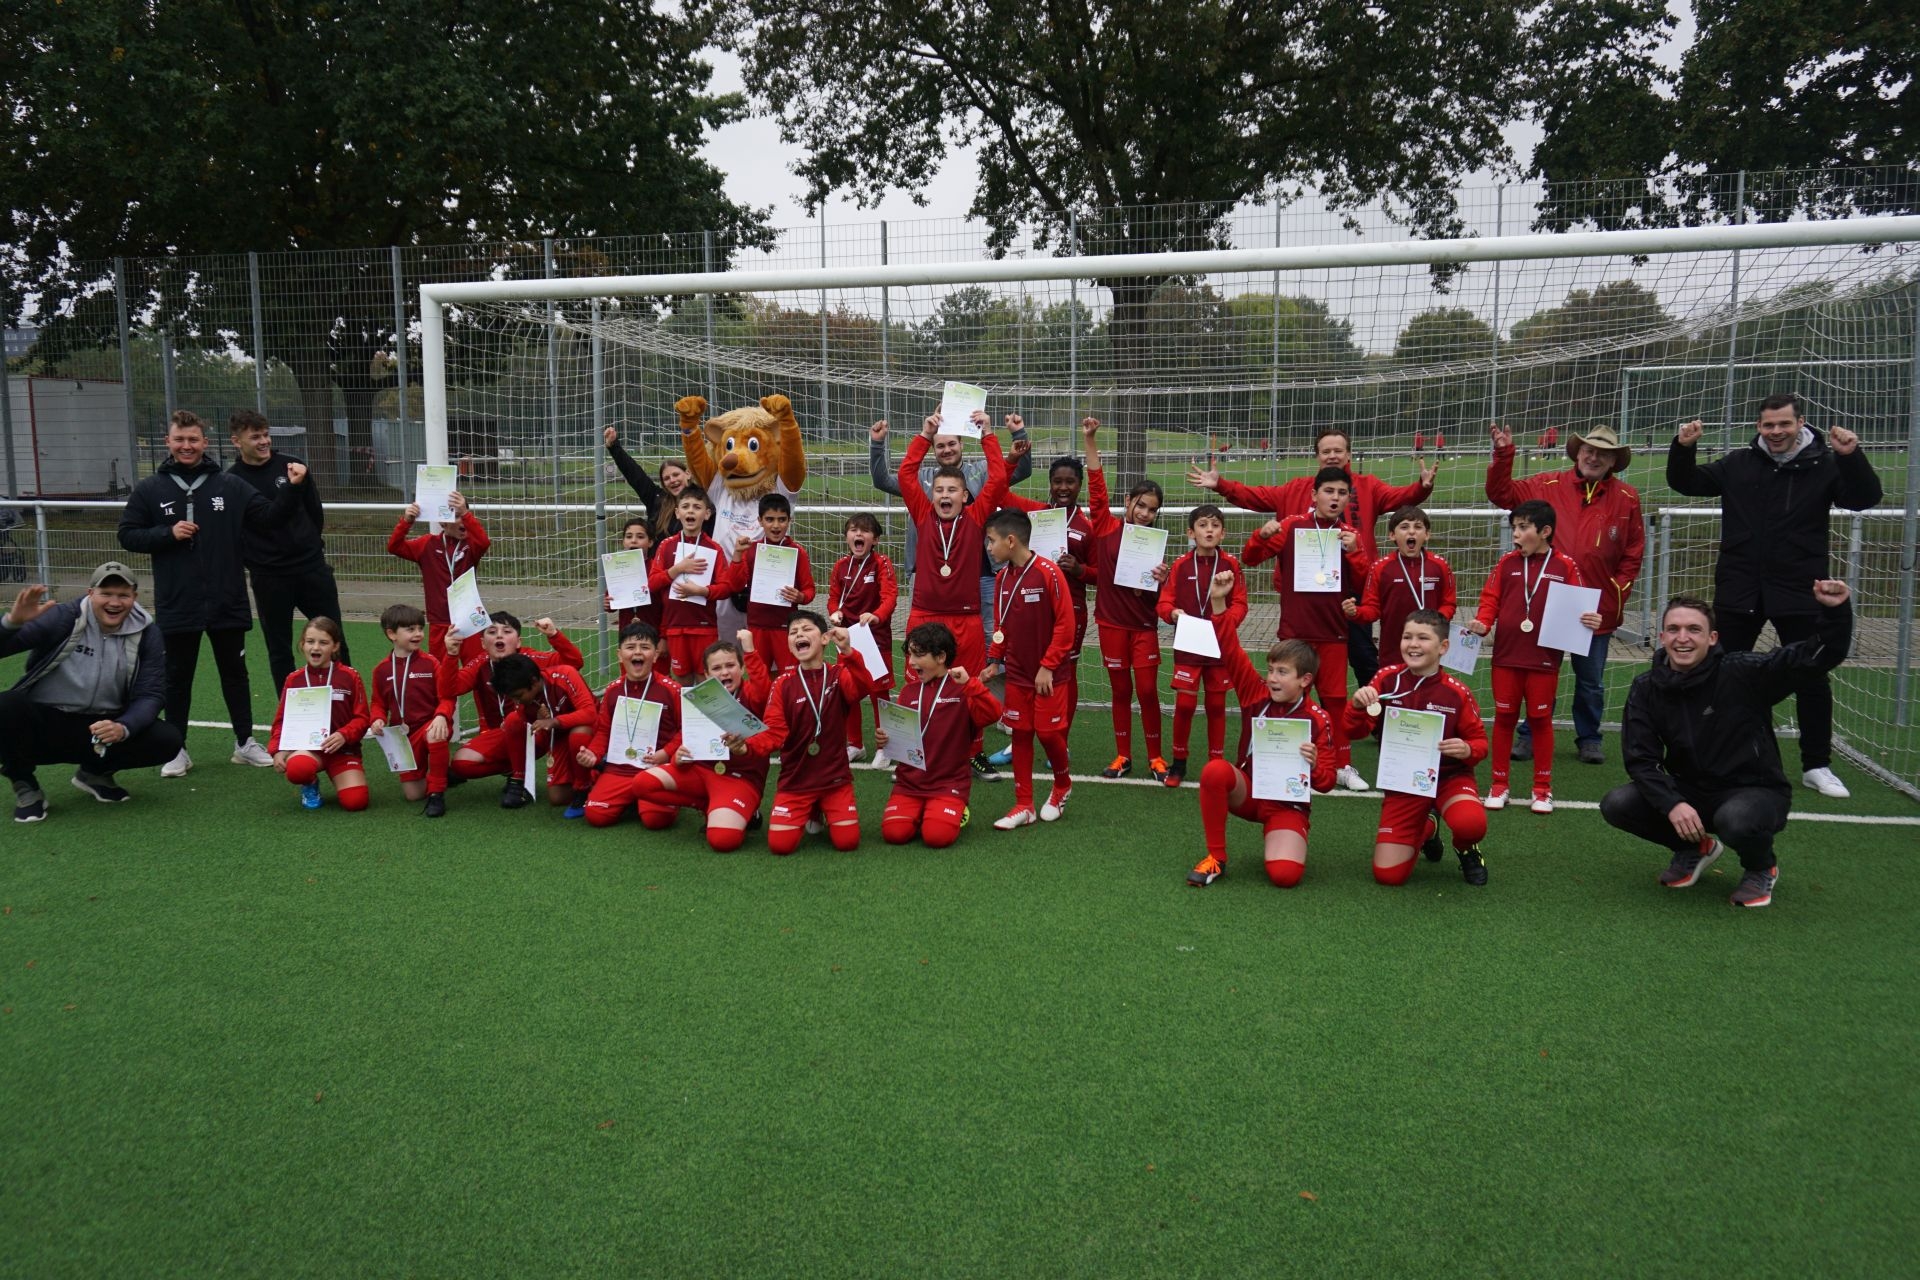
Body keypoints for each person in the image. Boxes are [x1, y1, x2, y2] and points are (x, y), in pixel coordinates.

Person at [1667, 395, 1882, 799]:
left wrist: (1851, 456)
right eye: (1769, 425)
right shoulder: (1739, 463)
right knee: (1722, 674)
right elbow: (1687, 483)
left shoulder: (1824, 464)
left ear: (1800, 423)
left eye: (1784, 424)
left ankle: (1816, 764)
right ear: (1758, 427)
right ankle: (1720, 756)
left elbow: (1864, 498)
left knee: (1811, 675)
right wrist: (1683, 447)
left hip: (1800, 587)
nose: (1776, 432)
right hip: (1740, 587)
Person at [1600, 582, 1853, 909]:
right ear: (1662, 637)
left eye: (1694, 629)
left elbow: (1815, 657)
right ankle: (1694, 848)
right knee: (1618, 803)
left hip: (1754, 791)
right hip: (1691, 791)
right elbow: (1641, 760)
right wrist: (1673, 803)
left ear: (1712, 638)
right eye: (1674, 629)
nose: (1682, 638)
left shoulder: (1743, 672)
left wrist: (1835, 611)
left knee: (1736, 819)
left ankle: (1761, 867)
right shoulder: (1646, 688)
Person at [117, 409, 307, 777]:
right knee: (177, 677)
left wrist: (293, 488)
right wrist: (167, 533)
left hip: (226, 598)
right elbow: (127, 534)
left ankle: (244, 743)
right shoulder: (151, 488)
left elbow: (269, 517)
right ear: (168, 442)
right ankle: (177, 749)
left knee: (235, 673)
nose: (186, 446)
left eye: (193, 439)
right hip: (178, 601)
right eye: (180, 439)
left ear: (205, 443)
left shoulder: (229, 485)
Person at [1190, 427, 1434, 686]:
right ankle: (1298, 708)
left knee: (1363, 656)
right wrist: (1221, 485)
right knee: (1296, 662)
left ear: (1349, 455)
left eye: (1338, 450)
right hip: (1303, 594)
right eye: (1326, 451)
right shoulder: (1297, 490)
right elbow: (1256, 496)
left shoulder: (1367, 487)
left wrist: (1422, 487)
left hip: (1352, 593)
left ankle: (1376, 707)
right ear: (1317, 456)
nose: (1332, 456)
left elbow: (1400, 497)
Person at [1485, 421, 1643, 766]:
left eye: (1603, 453)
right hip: (1543, 605)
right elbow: (1501, 494)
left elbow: (1633, 554)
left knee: (1591, 681)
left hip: (1594, 610)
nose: (1594, 457)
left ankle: (1589, 738)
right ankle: (1530, 733)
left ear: (1614, 461)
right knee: (1540, 673)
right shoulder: (1547, 485)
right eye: (1589, 450)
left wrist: (1613, 596)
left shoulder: (1628, 498)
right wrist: (1504, 454)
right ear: (1578, 453)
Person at [0, 566, 184, 822]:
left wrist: (123, 727)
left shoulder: (148, 633)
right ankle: (24, 783)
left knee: (167, 739)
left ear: (134, 597)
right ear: (90, 593)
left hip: (101, 727)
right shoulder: (64, 617)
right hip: (48, 720)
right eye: (106, 593)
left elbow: (151, 694)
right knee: (6, 706)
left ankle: (95, 773)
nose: (114, 602)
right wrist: (12, 623)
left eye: (123, 595)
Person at [1184, 581, 1336, 889]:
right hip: (1250, 792)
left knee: (1284, 876)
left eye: (1282, 672)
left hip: (1287, 804)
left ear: (1305, 680)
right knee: (1214, 771)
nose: (1272, 678)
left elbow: (1327, 782)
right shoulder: (1256, 694)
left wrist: (1315, 764)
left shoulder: (1318, 719)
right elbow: (1230, 649)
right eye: (1271, 670)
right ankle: (1216, 857)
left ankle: (1281, 836)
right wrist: (1218, 603)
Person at [1240, 466, 1374, 792]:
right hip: (1296, 633)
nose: (1335, 498)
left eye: (1342, 493)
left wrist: (1355, 553)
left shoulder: (1348, 536)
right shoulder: (1291, 526)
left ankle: (1341, 765)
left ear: (1348, 499)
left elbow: (1365, 584)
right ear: (1315, 495)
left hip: (1333, 633)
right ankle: (1288, 759)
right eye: (1329, 491)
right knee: (1292, 698)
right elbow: (1250, 558)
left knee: (1335, 700)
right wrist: (1261, 536)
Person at [893, 412, 1013, 774]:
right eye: (939, 490)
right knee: (917, 683)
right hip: (924, 614)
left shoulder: (976, 518)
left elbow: (998, 477)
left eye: (952, 491)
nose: (945, 495)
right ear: (932, 495)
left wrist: (988, 433)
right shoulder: (922, 513)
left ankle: (972, 752)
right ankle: (911, 752)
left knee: (968, 686)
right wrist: (924, 435)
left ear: (964, 495)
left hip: (966, 619)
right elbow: (905, 475)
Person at [1466, 500, 1598, 814]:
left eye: (1523, 527)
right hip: (1506, 657)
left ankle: (1542, 789)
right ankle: (1499, 785)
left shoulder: (1565, 565)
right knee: (1504, 719)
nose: (1516, 533)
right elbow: (1490, 599)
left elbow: (1580, 606)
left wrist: (1591, 619)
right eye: (1514, 527)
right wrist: (1483, 623)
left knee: (1540, 720)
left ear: (1545, 531)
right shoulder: (1506, 563)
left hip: (1543, 660)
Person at [1345, 610, 1491, 886]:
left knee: (1470, 824)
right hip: (1404, 782)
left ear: (1443, 647)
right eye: (1407, 637)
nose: (1413, 644)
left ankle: (1465, 848)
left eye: (1423, 638)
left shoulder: (1457, 692)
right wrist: (1356, 707)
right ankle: (1429, 827)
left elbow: (1480, 743)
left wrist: (1467, 749)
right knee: (1388, 875)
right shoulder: (1386, 680)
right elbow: (1355, 731)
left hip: (1449, 777)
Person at [226, 410, 349, 690]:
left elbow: (314, 514)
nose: (263, 441)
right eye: (255, 437)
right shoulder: (232, 481)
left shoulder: (293, 466)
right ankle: (290, 709)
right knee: (279, 648)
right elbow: (247, 527)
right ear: (237, 441)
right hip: (269, 577)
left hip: (310, 569)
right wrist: (258, 558)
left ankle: (343, 700)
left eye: (266, 435)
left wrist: (308, 546)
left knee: (335, 639)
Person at [743, 612, 881, 854]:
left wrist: (848, 651)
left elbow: (863, 687)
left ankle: (822, 805)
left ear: (825, 638)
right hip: (796, 781)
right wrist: (746, 746)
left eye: (807, 629)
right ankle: (813, 808)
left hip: (834, 780)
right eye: (793, 632)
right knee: (780, 846)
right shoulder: (783, 684)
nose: (799, 634)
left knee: (847, 842)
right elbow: (774, 733)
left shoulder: (838, 674)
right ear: (789, 644)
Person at [1081, 416, 1170, 781]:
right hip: (1111, 624)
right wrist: (1090, 440)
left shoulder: (1155, 544)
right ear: (1128, 501)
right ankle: (1123, 756)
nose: (1145, 514)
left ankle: (1156, 758)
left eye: (1152, 509)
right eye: (1141, 505)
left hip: (1143, 626)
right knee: (1120, 690)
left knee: (1147, 691)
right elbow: (1096, 486)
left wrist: (1162, 580)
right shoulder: (1106, 527)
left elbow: (1160, 597)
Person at [628, 631, 774, 850]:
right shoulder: (698, 698)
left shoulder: (752, 695)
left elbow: (763, 690)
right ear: (706, 674)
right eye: (717, 668)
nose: (724, 672)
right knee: (642, 784)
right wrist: (678, 758)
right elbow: (687, 739)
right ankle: (707, 805)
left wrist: (750, 651)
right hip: (702, 771)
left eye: (730, 665)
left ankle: (747, 812)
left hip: (739, 779)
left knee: (723, 840)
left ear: (742, 668)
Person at [980, 508, 1076, 830]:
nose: (988, 547)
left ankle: (1062, 786)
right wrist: (994, 660)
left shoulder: (1049, 573)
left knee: (1048, 733)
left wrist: (1048, 666)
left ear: (1010, 541)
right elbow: (1001, 625)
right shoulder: (1001, 579)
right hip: (1018, 674)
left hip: (1050, 675)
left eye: (991, 541)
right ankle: (1024, 805)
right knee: (1020, 733)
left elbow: (1066, 625)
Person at [877, 623, 1004, 849]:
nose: (911, 662)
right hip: (910, 783)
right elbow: (902, 737)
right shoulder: (908, 691)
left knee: (937, 837)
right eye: (910, 655)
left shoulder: (963, 689)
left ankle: (952, 810)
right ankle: (926, 812)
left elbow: (993, 713)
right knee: (894, 834)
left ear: (941, 657)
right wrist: (886, 739)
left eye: (919, 655)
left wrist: (971, 684)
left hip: (948, 783)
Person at [998, 454, 1096, 740]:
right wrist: (1012, 460)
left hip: (1070, 609)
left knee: (1066, 671)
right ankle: (1021, 736)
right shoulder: (1035, 514)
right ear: (1050, 483)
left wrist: (1079, 570)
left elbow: (1101, 574)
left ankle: (1060, 739)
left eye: (1070, 482)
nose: (1063, 487)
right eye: (1057, 481)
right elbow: (999, 493)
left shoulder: (1087, 526)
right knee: (1023, 666)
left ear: (1080, 484)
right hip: (1030, 605)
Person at [1156, 502, 1247, 786]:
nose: (1209, 531)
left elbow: (1240, 603)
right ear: (1191, 533)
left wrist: (1227, 622)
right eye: (1203, 525)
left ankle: (1216, 764)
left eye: (1215, 526)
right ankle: (1178, 763)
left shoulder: (1231, 565)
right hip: (1189, 644)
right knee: (1184, 705)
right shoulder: (1181, 565)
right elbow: (1164, 602)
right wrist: (1172, 613)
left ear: (1223, 533)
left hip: (1220, 645)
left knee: (1216, 705)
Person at [577, 621, 683, 828]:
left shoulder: (672, 690)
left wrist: (666, 753)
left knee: (656, 820)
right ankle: (633, 797)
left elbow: (686, 731)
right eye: (630, 647)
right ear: (619, 655)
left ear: (655, 655)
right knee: (596, 815)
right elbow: (604, 731)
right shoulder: (613, 690)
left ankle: (652, 798)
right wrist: (594, 754)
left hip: (656, 766)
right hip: (620, 767)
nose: (638, 652)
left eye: (645, 647)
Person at [266, 617, 371, 812]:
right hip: (309, 750)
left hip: (342, 750)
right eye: (310, 641)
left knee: (356, 802)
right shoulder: (294, 679)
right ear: (302, 644)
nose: (316, 647)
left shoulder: (349, 676)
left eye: (323, 642)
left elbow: (363, 718)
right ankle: (310, 783)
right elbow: (282, 720)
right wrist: (277, 749)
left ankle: (341, 774)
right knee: (297, 769)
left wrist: (344, 735)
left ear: (335, 646)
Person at [365, 603, 456, 818]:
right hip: (403, 735)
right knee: (413, 795)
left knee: (434, 735)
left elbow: (447, 696)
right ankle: (442, 772)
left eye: (420, 628)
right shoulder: (381, 669)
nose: (418, 634)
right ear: (391, 634)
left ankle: (437, 794)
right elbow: (378, 703)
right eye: (410, 629)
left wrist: (441, 716)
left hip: (430, 724)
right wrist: (377, 719)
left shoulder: (430, 663)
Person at [714, 492, 816, 674]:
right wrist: (737, 555)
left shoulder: (797, 552)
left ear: (790, 520)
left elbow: (809, 590)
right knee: (758, 677)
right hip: (757, 626)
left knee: (789, 677)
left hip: (786, 627)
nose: (776, 525)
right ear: (760, 521)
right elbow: (735, 586)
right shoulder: (751, 550)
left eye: (781, 520)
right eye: (769, 519)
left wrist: (800, 596)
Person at [827, 513, 899, 761]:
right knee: (847, 692)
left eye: (865, 531)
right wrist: (834, 612)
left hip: (876, 639)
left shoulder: (882, 563)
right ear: (847, 537)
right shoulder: (840, 566)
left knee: (879, 694)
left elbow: (890, 597)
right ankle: (855, 744)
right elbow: (833, 597)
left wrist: (877, 616)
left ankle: (885, 747)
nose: (859, 534)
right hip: (847, 640)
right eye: (853, 530)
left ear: (875, 539)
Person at [488, 651, 597, 813]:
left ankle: (584, 786)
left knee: (578, 734)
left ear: (534, 681)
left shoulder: (565, 674)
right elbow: (540, 731)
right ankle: (596, 779)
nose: (516, 701)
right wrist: (539, 720)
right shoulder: (525, 703)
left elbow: (590, 713)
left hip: (592, 730)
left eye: (519, 696)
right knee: (557, 797)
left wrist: (554, 721)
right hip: (559, 737)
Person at [387, 489, 491, 659]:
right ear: (443, 522)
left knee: (477, 667)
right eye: (456, 516)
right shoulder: (427, 544)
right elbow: (394, 547)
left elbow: (484, 542)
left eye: (463, 515)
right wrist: (406, 521)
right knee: (441, 669)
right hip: (440, 620)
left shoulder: (471, 545)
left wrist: (465, 513)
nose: (463, 521)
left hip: (471, 618)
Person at [1352, 506, 1456, 669]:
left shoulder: (1439, 565)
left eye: (1418, 527)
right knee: (1393, 685)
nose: (1412, 532)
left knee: (1428, 684)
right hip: (1392, 651)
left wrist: (1436, 620)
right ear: (1392, 535)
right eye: (1404, 527)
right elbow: (1372, 608)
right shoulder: (1380, 568)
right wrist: (1356, 612)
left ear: (1427, 534)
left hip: (1429, 648)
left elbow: (1449, 603)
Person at [649, 489, 728, 680]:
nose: (690, 511)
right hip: (675, 627)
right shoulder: (666, 545)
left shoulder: (714, 549)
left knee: (705, 680)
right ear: (677, 513)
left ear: (706, 514)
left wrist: (703, 591)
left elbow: (726, 587)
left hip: (704, 627)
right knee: (682, 681)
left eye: (697, 507)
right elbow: (652, 583)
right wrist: (677, 569)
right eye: (685, 506)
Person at [603, 425, 714, 541]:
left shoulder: (703, 498)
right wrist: (614, 446)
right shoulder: (656, 499)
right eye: (666, 478)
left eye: (676, 475)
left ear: (688, 474)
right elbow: (634, 474)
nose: (672, 480)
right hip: (660, 553)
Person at [603, 516, 664, 636]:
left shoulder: (657, 568)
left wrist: (663, 637)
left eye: (640, 537)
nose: (633, 541)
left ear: (650, 542)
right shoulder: (617, 567)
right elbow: (611, 604)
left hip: (653, 632)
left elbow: (666, 606)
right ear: (623, 541)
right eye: (629, 536)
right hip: (627, 632)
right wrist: (608, 603)